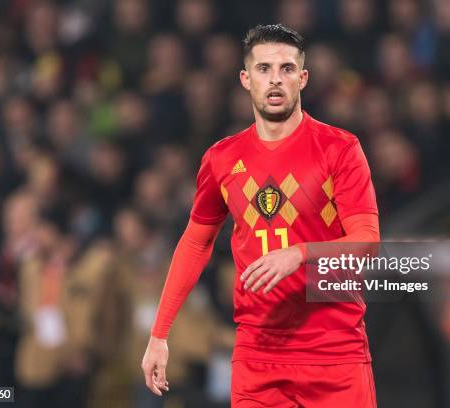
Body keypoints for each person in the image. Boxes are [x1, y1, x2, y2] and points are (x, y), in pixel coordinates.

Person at [142, 24, 380, 407]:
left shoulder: (339, 149)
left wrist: (299, 254)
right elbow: (195, 242)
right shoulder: (222, 159)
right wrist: (159, 333)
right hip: (258, 355)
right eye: (264, 69)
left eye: (286, 69)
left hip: (334, 352)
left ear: (303, 79)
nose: (275, 80)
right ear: (245, 78)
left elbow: (367, 241)